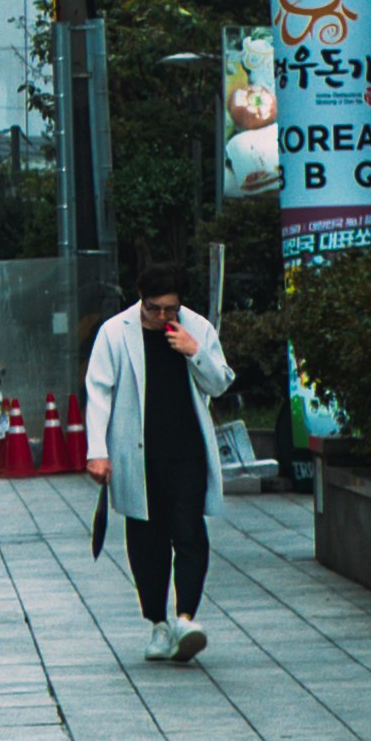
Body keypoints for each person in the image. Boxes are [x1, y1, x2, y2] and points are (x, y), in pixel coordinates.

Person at [87, 263, 234, 661]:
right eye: (154, 309)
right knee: (146, 544)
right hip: (137, 454)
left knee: (189, 532)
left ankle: (185, 617)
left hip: (186, 450)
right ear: (141, 300)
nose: (163, 317)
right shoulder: (115, 333)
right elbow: (99, 392)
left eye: (171, 308)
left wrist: (194, 352)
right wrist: (96, 452)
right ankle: (158, 624)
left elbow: (220, 382)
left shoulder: (197, 328)